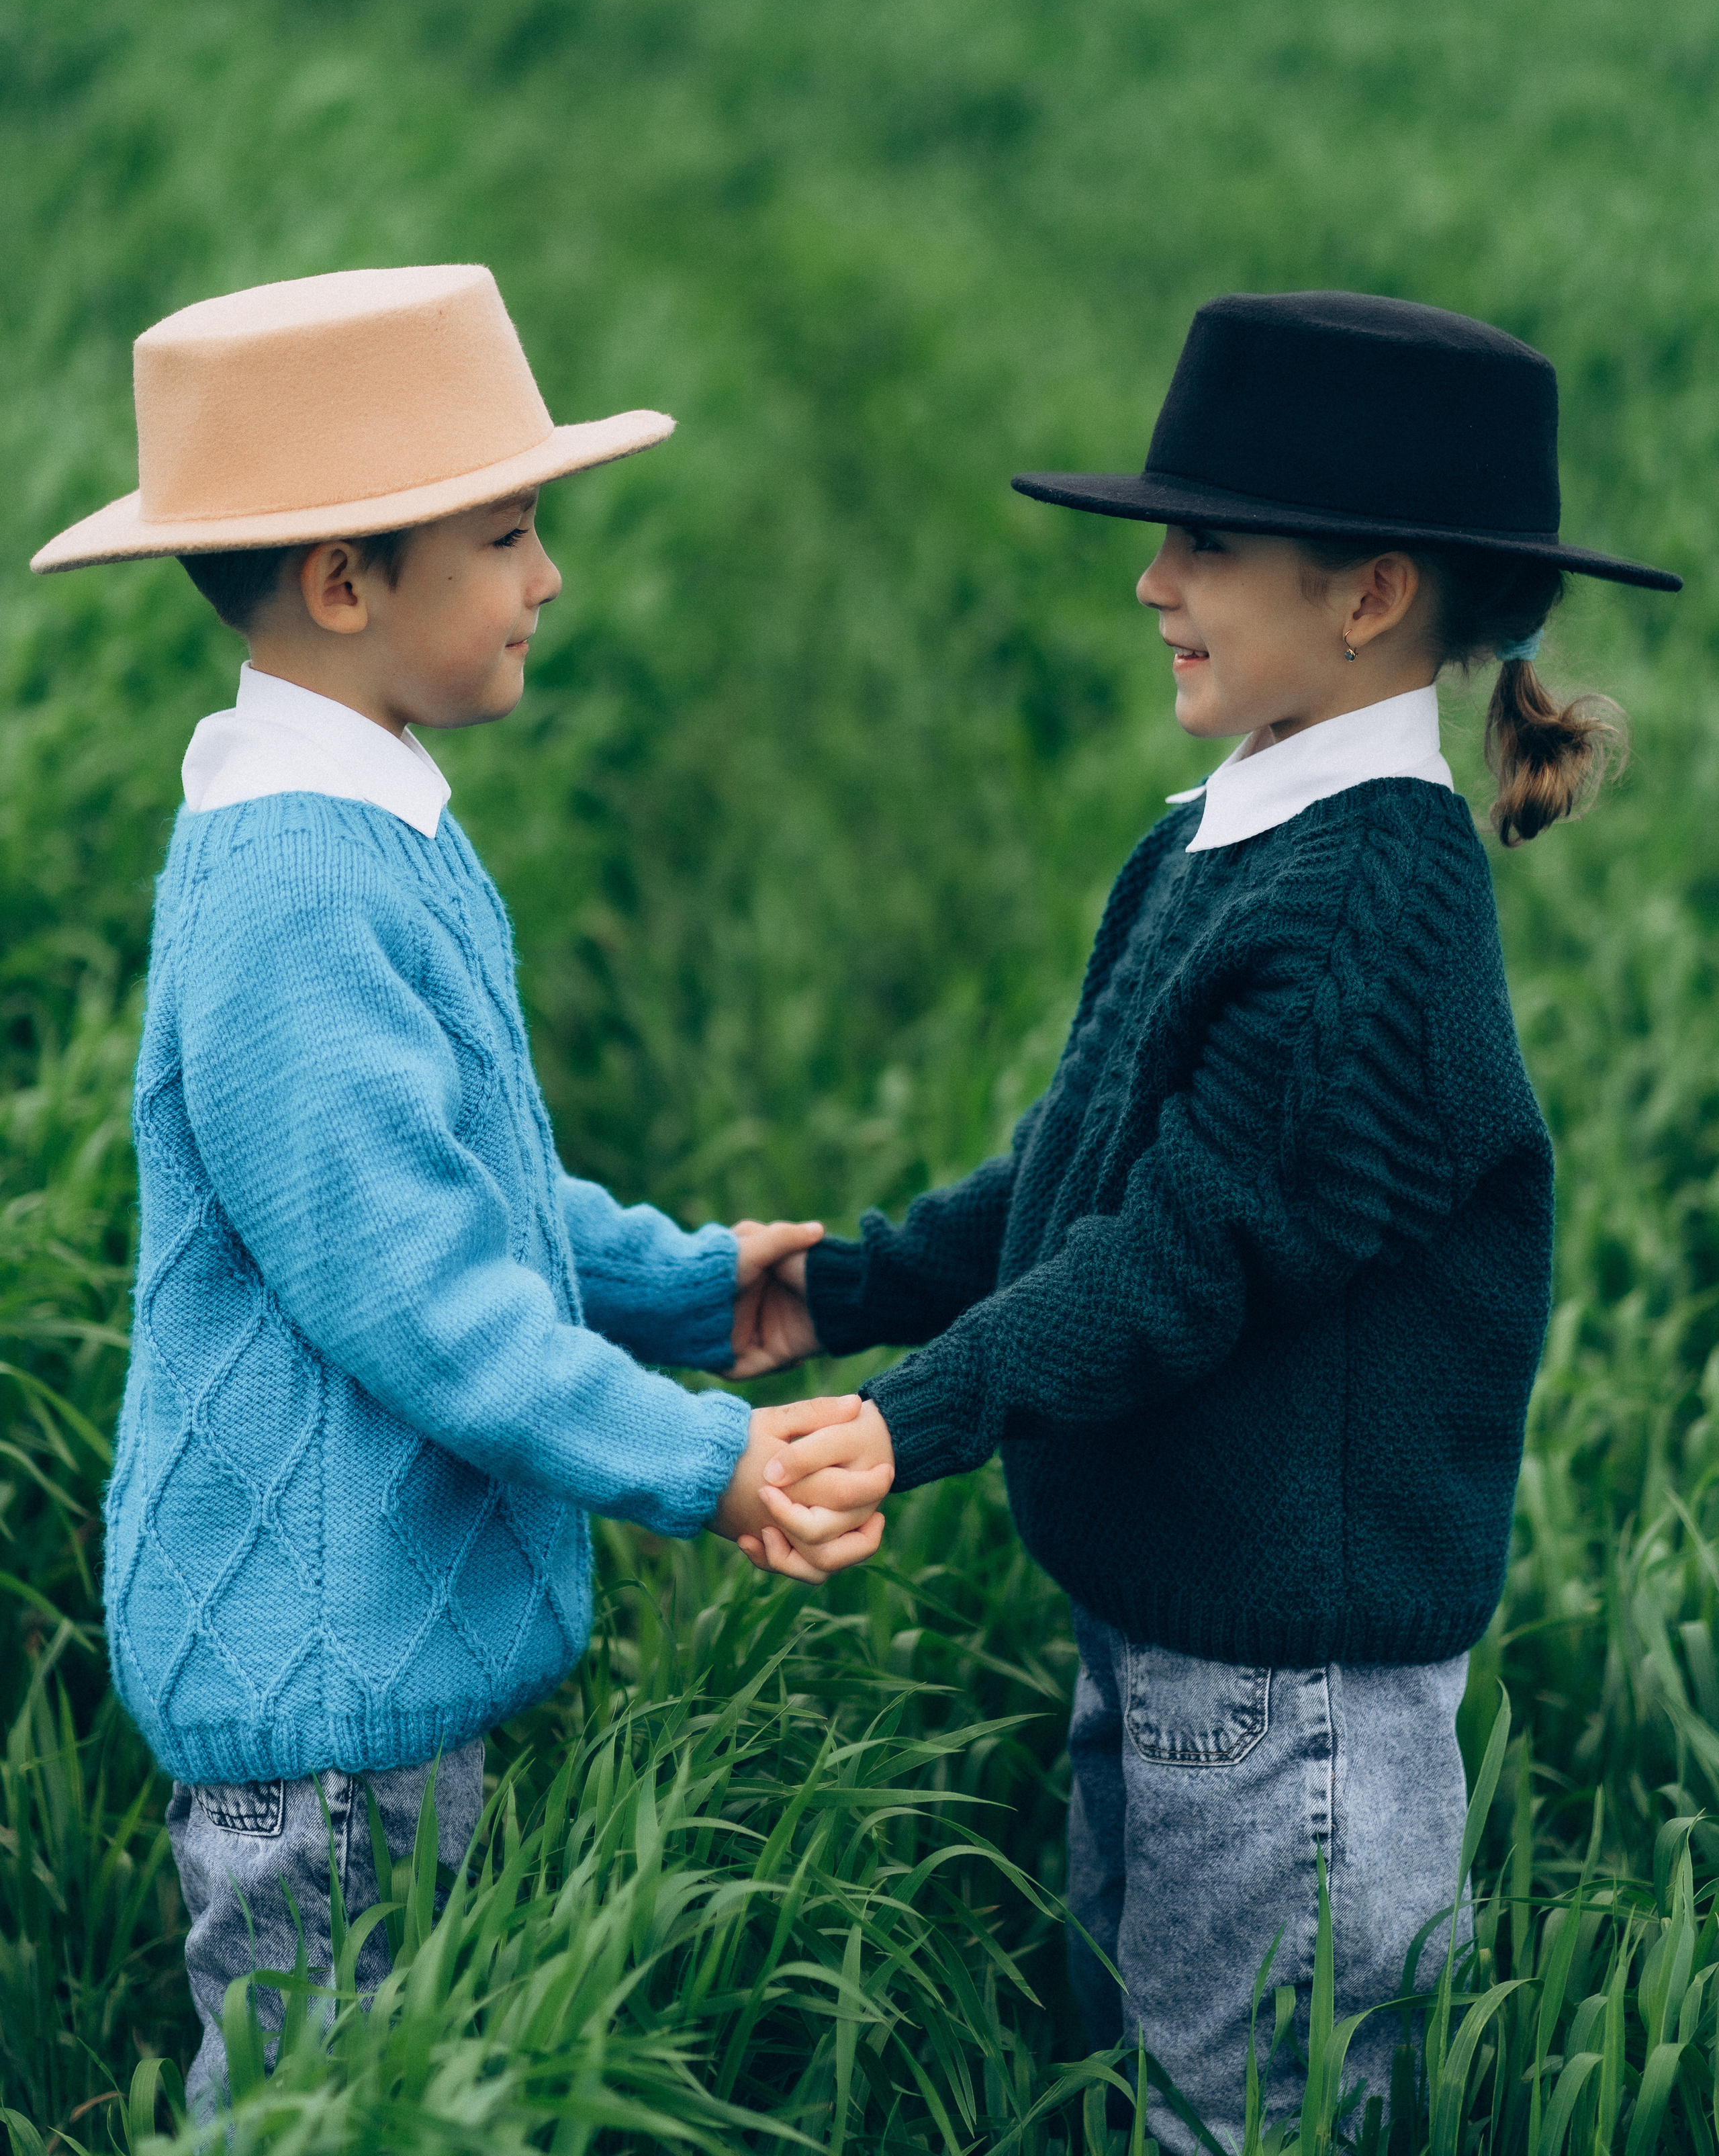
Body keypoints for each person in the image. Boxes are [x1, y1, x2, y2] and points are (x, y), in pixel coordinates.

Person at [741, 292, 1681, 2143]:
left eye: (1207, 543)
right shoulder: (1234, 831)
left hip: (1291, 1695)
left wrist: (908, 1414)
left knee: (1250, 2117)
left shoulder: (1360, 920)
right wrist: (848, 1285)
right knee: (1145, 2061)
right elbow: (1085, 1161)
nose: (1154, 582)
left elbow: (1179, 1259)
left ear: (1369, 597)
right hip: (1178, 1626)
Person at [30, 263, 888, 2110]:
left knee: (397, 2079)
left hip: (371, 1657)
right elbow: (420, 1293)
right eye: (506, 535)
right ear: (348, 584)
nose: (548, 578)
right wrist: (704, 1457)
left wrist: (680, 1282)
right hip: (318, 1684)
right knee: (323, 2104)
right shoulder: (296, 898)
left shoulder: (365, 821)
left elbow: (468, 1188)